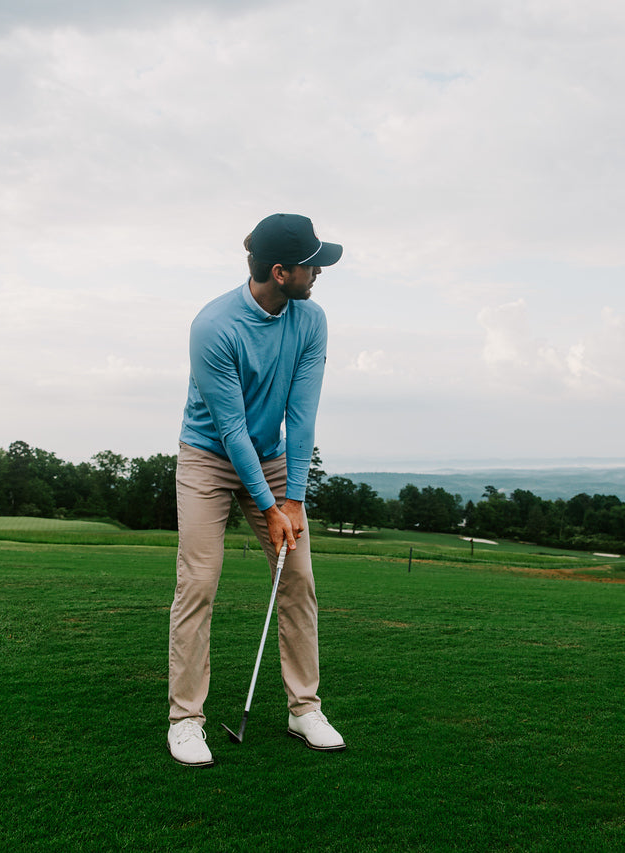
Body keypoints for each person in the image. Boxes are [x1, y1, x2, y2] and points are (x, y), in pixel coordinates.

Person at [167, 213, 346, 767]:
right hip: (208, 458)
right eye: (310, 264)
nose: (318, 273)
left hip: (271, 460)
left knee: (297, 578)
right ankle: (185, 720)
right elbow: (230, 429)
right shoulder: (214, 326)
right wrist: (269, 508)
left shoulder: (310, 320)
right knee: (199, 582)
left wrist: (293, 499)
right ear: (280, 271)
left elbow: (302, 413)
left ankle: (304, 708)